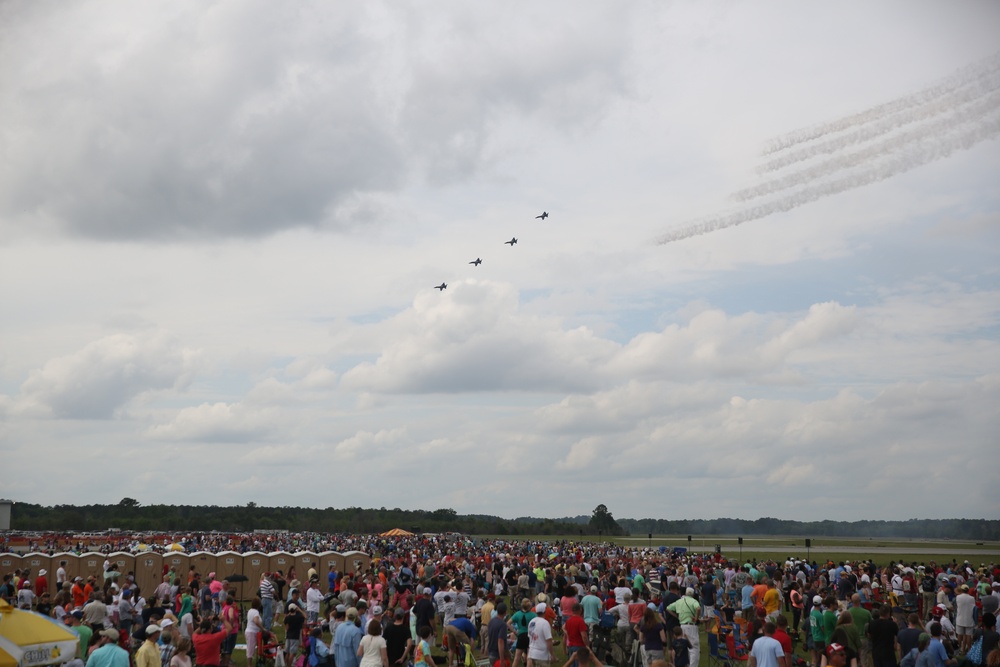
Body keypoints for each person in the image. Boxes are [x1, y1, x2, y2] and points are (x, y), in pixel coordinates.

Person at [667, 588, 702, 667]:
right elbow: (698, 608)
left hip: (682, 626)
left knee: (683, 648)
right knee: (694, 647)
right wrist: (696, 618)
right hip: (691, 626)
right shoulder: (693, 601)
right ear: (692, 594)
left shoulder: (679, 601)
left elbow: (668, 608)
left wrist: (677, 616)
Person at [527, 602, 554, 667]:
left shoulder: (531, 622)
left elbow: (530, 637)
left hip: (532, 653)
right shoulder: (545, 623)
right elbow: (549, 641)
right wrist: (552, 655)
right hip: (542, 655)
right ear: (544, 611)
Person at [486, 602, 508, 667]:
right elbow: (500, 641)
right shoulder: (502, 624)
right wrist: (502, 659)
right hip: (497, 655)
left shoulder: (491, 621)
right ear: (505, 612)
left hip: (491, 652)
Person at [245, 598, 265, 664]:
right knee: (250, 649)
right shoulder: (256, 612)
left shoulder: (250, 610)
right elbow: (256, 621)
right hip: (252, 632)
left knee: (250, 647)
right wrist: (262, 628)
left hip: (249, 631)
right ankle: (249, 665)